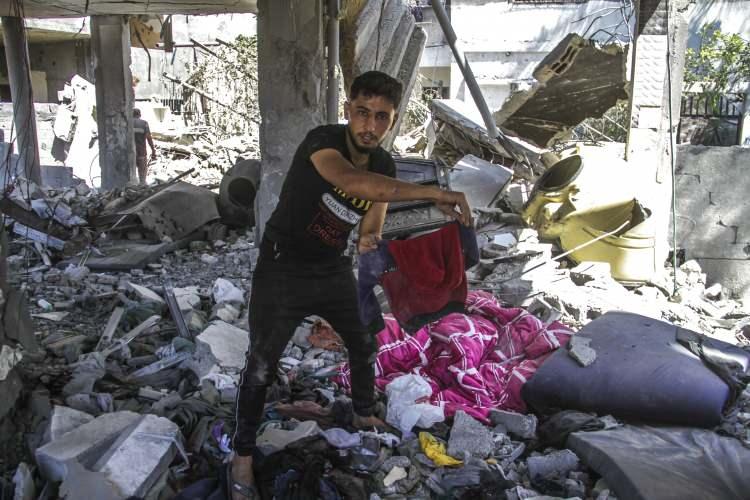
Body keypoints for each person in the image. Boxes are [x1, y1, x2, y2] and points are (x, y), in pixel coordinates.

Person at [229, 70, 471, 499]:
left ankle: (362, 412)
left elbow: (372, 212)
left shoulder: (383, 164)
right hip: (282, 268)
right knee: (261, 364)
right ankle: (242, 456)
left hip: (330, 268)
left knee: (363, 340)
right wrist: (436, 194)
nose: (370, 126)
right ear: (348, 111)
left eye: (381, 117)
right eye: (362, 113)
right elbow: (353, 183)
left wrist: (369, 239)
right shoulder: (323, 142)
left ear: (391, 121)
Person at [133, 108, 156, 185]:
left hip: (130, 153)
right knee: (142, 175)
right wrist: (153, 150)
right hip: (141, 152)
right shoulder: (144, 123)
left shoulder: (127, 123)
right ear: (140, 115)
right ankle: (142, 185)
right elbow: (149, 138)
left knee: (130, 175)